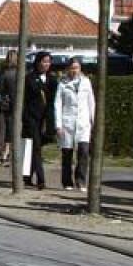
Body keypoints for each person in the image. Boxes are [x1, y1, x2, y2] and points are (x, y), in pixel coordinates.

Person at [54, 57, 95, 191]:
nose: (74, 70)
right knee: (67, 153)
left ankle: (81, 181)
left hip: (83, 122)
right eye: (72, 68)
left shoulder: (86, 82)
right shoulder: (62, 84)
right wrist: (58, 124)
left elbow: (91, 102)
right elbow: (58, 104)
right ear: (68, 69)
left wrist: (93, 120)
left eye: (77, 68)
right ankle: (67, 182)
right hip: (68, 122)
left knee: (83, 152)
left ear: (80, 69)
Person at [22, 51, 55, 190]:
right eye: (44, 61)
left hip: (45, 118)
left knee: (36, 147)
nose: (46, 64)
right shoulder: (29, 78)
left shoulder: (52, 80)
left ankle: (27, 176)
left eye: (48, 62)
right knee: (33, 147)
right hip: (31, 117)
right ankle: (40, 179)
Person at [0, 50, 18, 162]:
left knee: (5, 127)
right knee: (10, 128)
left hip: (6, 104)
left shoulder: (3, 72)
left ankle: (5, 151)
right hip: (14, 104)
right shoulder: (20, 73)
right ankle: (8, 150)